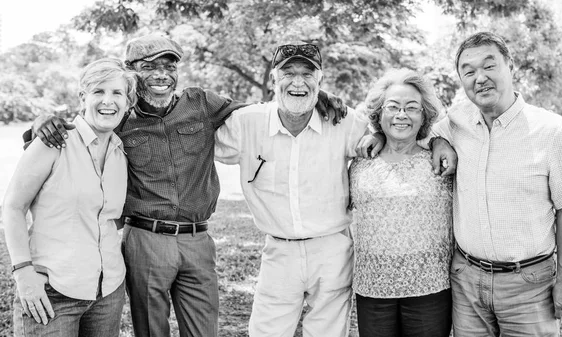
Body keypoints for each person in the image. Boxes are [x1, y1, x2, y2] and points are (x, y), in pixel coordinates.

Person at [26, 35, 348, 337]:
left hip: (198, 241)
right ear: (130, 73)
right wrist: (40, 123)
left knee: (203, 328)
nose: (161, 74)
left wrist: (317, 96)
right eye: (148, 66)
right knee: (152, 330)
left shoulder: (202, 103)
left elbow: (265, 114)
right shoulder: (120, 117)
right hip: (145, 240)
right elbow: (78, 127)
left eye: (169, 66)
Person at [214, 43, 457, 336]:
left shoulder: (343, 122)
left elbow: (398, 130)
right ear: (273, 79)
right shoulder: (246, 123)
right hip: (278, 249)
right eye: (288, 73)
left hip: (332, 249)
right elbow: (197, 137)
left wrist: (437, 140)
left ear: (320, 80)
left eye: (308, 74)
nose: (298, 81)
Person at [432, 31, 562, 336]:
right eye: (469, 71)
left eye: (489, 66)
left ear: (510, 66)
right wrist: (439, 141)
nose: (479, 78)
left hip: (529, 285)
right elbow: (421, 129)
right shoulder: (456, 122)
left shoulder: (552, 130)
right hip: (466, 281)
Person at [3, 58, 136, 337]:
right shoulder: (53, 142)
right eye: (98, 91)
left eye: (117, 93)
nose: (108, 101)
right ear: (82, 97)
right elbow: (13, 206)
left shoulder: (121, 151)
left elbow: (111, 217)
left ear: (127, 102)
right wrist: (23, 272)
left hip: (108, 291)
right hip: (52, 292)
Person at [349, 68, 453, 337]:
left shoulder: (440, 162)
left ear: (424, 116)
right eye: (393, 107)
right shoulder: (360, 163)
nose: (401, 115)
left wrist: (439, 140)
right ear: (379, 114)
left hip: (429, 288)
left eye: (412, 108)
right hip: (372, 288)